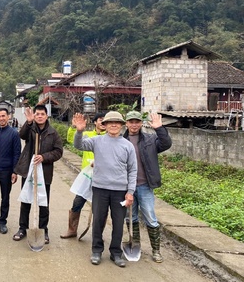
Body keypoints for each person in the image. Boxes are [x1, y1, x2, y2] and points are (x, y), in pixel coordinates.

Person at [73, 111, 137, 268]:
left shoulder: (127, 145)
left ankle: (116, 252)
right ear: (105, 125)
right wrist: (79, 131)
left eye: (117, 122)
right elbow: (78, 145)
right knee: (99, 220)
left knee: (118, 222)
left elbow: (133, 170)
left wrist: (130, 192)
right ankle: (96, 250)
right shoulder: (97, 141)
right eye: (110, 122)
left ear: (122, 126)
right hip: (100, 189)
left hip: (120, 191)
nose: (114, 125)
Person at [123, 111, 172, 263]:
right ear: (126, 123)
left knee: (150, 218)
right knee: (132, 217)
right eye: (131, 122)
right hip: (126, 187)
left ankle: (156, 251)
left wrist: (160, 129)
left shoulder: (150, 139)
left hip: (144, 185)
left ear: (141, 123)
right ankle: (135, 245)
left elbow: (166, 144)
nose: (134, 125)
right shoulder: (120, 140)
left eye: (137, 122)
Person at [12, 105, 63, 244]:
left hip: (44, 173)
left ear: (46, 116)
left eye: (42, 114)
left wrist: (44, 157)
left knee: (43, 203)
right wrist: (28, 123)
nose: (39, 116)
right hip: (28, 171)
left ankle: (43, 229)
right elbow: (21, 135)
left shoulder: (53, 133)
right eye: (37, 114)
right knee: (26, 200)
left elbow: (58, 152)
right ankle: (23, 228)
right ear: (34, 116)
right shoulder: (31, 129)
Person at [61, 112, 106, 239]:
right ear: (95, 122)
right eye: (100, 120)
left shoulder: (109, 137)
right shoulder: (88, 135)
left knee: (100, 208)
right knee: (77, 203)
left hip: (103, 179)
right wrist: (74, 128)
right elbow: (71, 140)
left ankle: (98, 234)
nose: (103, 123)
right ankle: (72, 229)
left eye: (105, 121)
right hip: (87, 177)